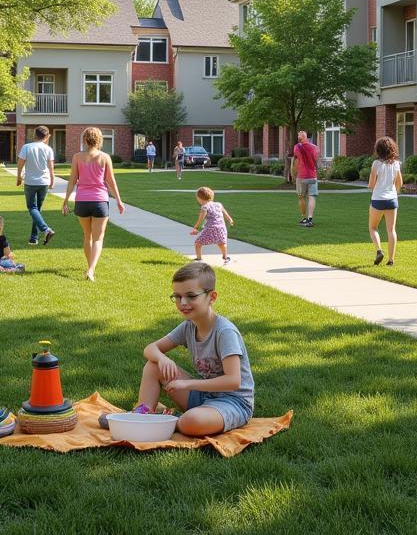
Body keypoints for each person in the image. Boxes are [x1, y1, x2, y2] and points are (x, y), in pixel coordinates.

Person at [113, 261, 254, 436]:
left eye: (191, 296)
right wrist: (162, 358)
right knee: (153, 365)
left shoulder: (225, 332)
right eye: (177, 296)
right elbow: (150, 348)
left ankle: (165, 419)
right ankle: (143, 414)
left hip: (233, 403)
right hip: (204, 398)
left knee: (191, 422)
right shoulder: (189, 326)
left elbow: (233, 381)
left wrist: (186, 384)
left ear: (212, 297)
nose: (183, 302)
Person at [63, 125, 125, 280]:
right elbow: (111, 181)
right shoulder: (104, 157)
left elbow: (72, 181)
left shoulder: (77, 157)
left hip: (82, 201)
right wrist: (118, 200)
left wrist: (65, 201)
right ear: (99, 140)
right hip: (100, 201)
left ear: (85, 139)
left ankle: (89, 266)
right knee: (98, 238)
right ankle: (91, 269)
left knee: (87, 236)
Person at [16, 125, 56, 246]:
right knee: (37, 209)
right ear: (46, 136)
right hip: (44, 182)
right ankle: (33, 238)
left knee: (32, 208)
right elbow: (51, 167)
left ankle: (46, 229)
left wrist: (18, 177)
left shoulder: (26, 147)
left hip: (30, 182)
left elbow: (20, 163)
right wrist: (52, 180)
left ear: (34, 134)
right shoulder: (48, 149)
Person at [367, 136, 402, 266]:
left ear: (379, 150)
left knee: (373, 228)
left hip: (378, 199)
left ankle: (379, 250)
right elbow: (400, 182)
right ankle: (391, 260)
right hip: (392, 199)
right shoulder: (396, 164)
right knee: (391, 230)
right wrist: (394, 191)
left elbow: (371, 185)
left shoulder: (376, 164)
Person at [190, 187, 234, 264]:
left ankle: (199, 259)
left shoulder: (204, 207)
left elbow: (201, 218)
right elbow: (225, 213)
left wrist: (196, 227)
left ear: (200, 198)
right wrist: (230, 219)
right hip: (221, 228)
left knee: (198, 243)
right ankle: (225, 257)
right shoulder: (218, 204)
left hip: (210, 228)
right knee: (221, 243)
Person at [292, 129, 319, 227]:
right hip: (313, 175)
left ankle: (304, 218)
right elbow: (316, 159)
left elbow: (295, 160)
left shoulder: (297, 147)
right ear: (306, 137)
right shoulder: (314, 147)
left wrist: (293, 173)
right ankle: (310, 218)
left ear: (300, 138)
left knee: (301, 197)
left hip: (302, 175)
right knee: (312, 197)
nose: (300, 133)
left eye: (300, 133)